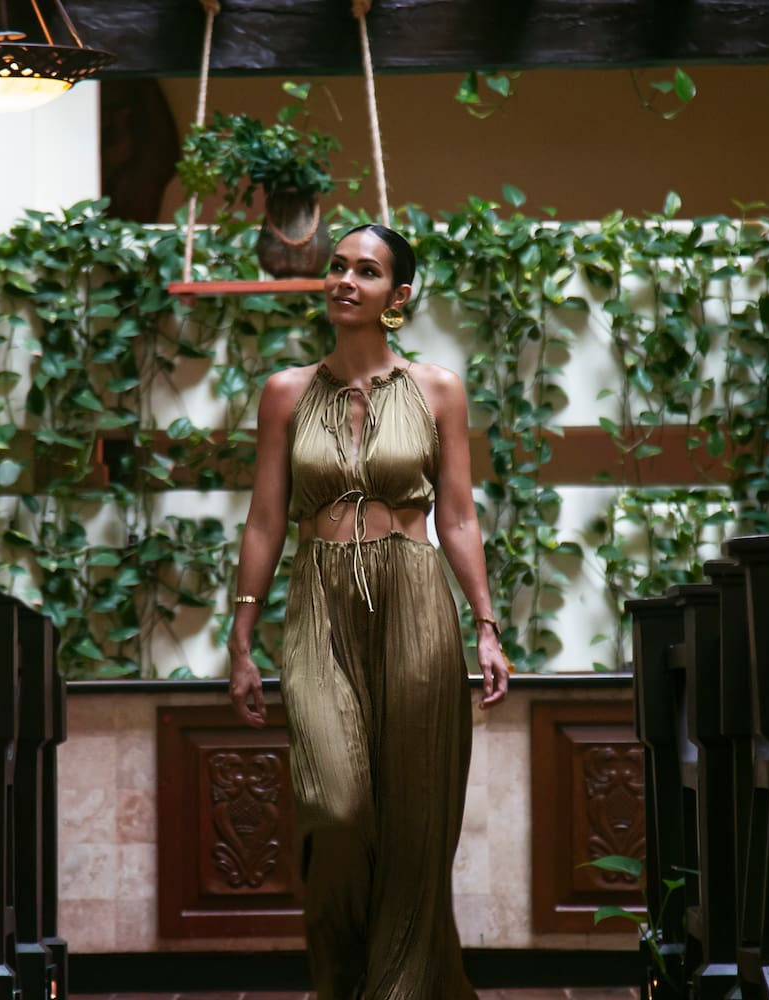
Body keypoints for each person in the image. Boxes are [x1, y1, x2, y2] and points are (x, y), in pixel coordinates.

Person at [225, 223, 512, 999]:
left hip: (416, 601)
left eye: (367, 271)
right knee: (339, 810)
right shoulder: (285, 392)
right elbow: (264, 520)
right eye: (338, 267)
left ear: (399, 296)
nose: (344, 280)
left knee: (417, 825)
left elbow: (457, 516)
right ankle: (345, 984)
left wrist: (485, 624)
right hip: (319, 600)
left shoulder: (439, 389)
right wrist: (243, 634)